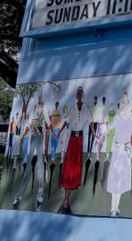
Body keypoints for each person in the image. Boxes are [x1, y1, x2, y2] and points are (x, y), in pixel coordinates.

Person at [59, 86, 91, 214]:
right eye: (78, 93)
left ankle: (67, 196)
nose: (79, 95)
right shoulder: (73, 108)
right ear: (76, 95)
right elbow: (67, 123)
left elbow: (91, 122)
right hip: (72, 138)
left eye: (81, 93)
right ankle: (66, 198)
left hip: (80, 138)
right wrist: (59, 133)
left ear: (82, 95)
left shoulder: (86, 109)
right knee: (69, 165)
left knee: (76, 166)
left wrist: (96, 134)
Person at [13, 94, 47, 211]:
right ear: (38, 99)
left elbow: (46, 127)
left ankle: (40, 195)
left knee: (40, 167)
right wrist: (22, 136)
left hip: (40, 140)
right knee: (27, 168)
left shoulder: (45, 111)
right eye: (40, 97)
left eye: (42, 97)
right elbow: (28, 124)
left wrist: (45, 146)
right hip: (33, 140)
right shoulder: (33, 109)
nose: (40, 99)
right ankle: (19, 195)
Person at [106, 92, 132, 217]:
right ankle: (113, 207)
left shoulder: (130, 120)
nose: (125, 105)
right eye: (123, 102)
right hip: (118, 151)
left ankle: (116, 207)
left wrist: (131, 148)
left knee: (120, 181)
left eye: (126, 102)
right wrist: (104, 130)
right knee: (114, 180)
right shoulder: (117, 118)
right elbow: (109, 128)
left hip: (124, 153)